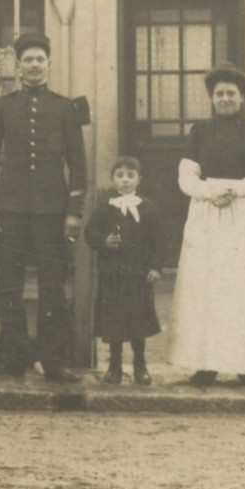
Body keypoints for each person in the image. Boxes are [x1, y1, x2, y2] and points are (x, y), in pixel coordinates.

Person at [167, 63, 245, 388]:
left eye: (231, 93)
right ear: (211, 98)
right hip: (208, 215)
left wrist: (236, 190)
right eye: (219, 94)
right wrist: (211, 191)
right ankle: (204, 365)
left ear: (242, 97)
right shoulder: (200, 132)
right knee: (206, 287)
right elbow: (186, 177)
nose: (225, 99)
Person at [0, 31, 88, 382]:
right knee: (8, 283)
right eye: (28, 60)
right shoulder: (3, 107)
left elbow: (79, 163)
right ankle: (13, 355)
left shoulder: (65, 108)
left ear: (49, 64)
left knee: (52, 285)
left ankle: (52, 359)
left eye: (40, 59)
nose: (35, 65)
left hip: (53, 212)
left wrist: (73, 211)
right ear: (18, 65)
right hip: (9, 210)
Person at [83, 156, 164, 385]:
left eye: (130, 175)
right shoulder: (105, 208)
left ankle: (140, 365)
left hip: (138, 275)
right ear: (112, 180)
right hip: (113, 275)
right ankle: (115, 366)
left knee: (138, 321)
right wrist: (105, 241)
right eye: (120, 175)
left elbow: (159, 242)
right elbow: (90, 234)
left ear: (139, 179)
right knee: (114, 321)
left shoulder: (148, 209)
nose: (125, 180)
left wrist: (155, 267)